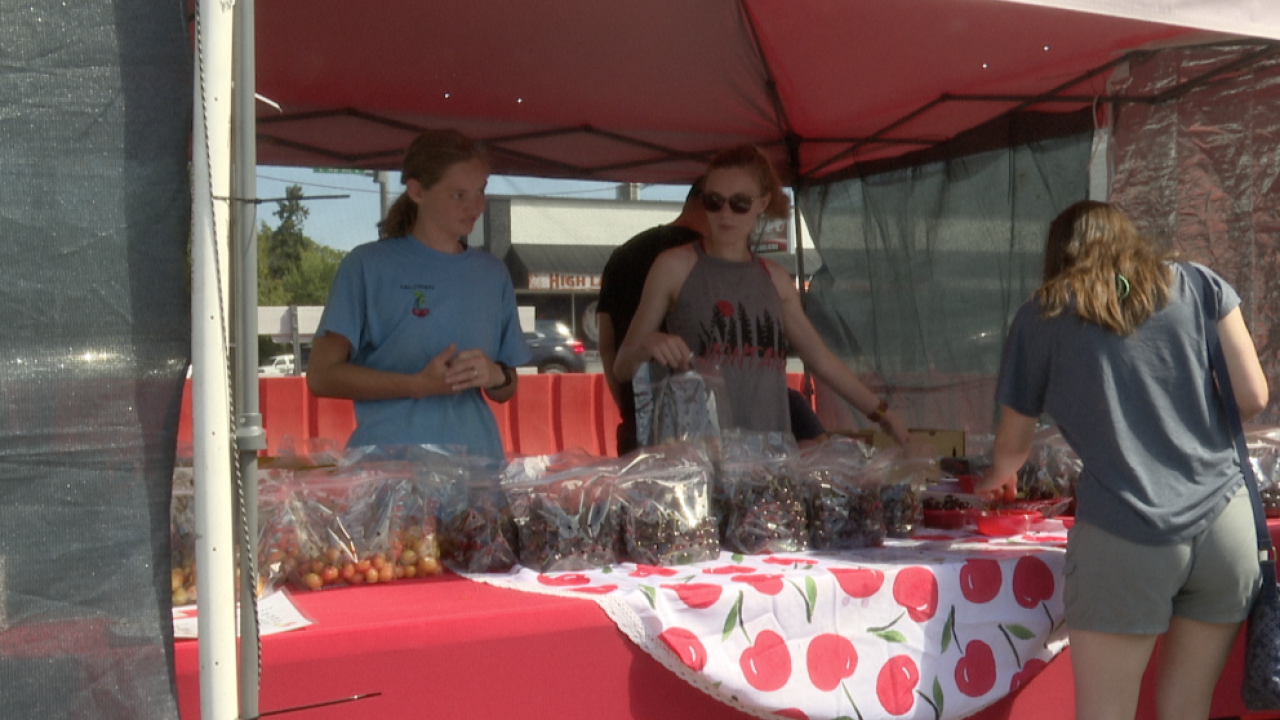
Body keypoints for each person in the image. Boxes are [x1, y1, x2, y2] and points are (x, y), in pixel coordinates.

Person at [974, 201, 1269, 720]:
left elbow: (1012, 447)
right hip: (1226, 523)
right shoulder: (1199, 285)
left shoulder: (1042, 314)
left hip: (1125, 531)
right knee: (1187, 709)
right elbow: (1252, 396)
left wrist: (999, 479)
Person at [612, 145, 909, 446]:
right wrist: (648, 344)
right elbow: (622, 365)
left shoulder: (776, 279)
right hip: (702, 456)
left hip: (770, 459)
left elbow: (821, 359)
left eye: (739, 203)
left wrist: (885, 415)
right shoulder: (674, 266)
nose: (725, 213)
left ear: (763, 203)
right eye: (714, 202)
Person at [307, 129, 530, 460]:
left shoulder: (492, 273)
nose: (475, 206)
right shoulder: (366, 265)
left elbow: (507, 388)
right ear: (417, 191)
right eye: (458, 195)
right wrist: (417, 385)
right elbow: (321, 377)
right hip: (390, 473)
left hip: (477, 472)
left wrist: (494, 374)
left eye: (481, 191)